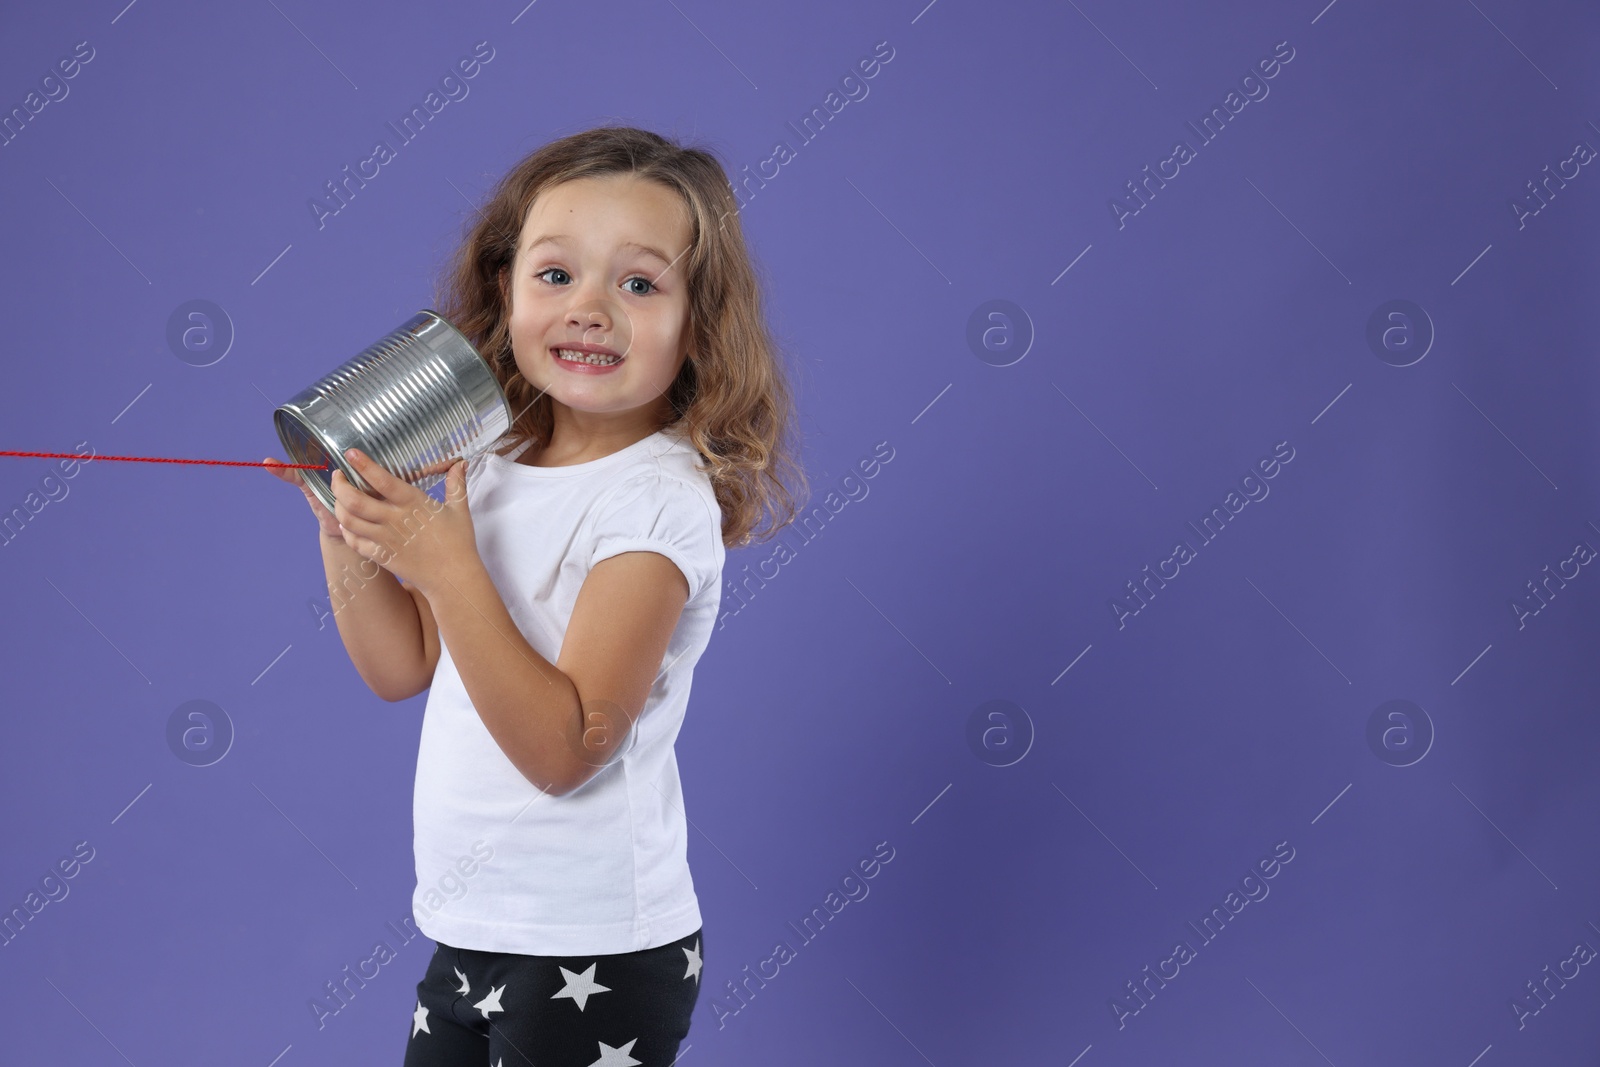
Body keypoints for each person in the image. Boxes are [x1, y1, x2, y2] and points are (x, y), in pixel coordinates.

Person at [266, 124, 807, 1065]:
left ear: (698, 323)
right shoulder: (494, 457)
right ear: (505, 289)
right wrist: (341, 522)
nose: (590, 308)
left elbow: (568, 749)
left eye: (639, 283)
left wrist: (445, 565)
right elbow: (405, 666)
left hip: (594, 948)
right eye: (556, 274)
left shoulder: (655, 505)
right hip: (473, 926)